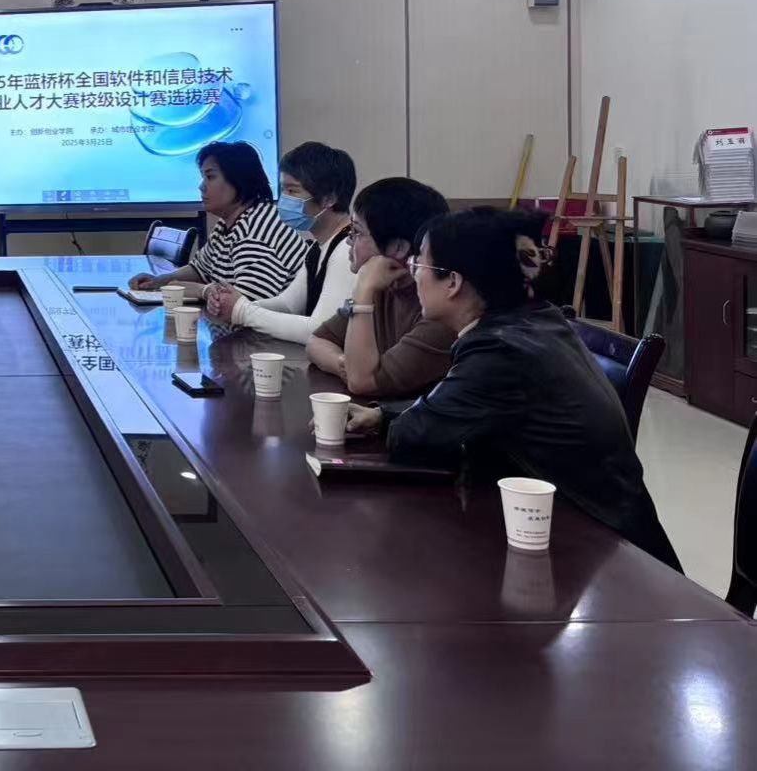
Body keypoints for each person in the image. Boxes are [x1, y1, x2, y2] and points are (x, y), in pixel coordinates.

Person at [345, 209, 680, 569]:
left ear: (453, 282)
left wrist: (394, 423)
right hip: (586, 536)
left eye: (419, 265)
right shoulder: (535, 320)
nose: (413, 274)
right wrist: (384, 416)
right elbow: (453, 407)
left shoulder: (500, 350)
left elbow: (414, 437)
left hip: (602, 555)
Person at [306, 176, 452, 398]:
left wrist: (363, 293)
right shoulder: (384, 287)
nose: (348, 241)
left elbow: (362, 382)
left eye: (357, 232)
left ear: (398, 247)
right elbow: (317, 342)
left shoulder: (438, 309)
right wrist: (343, 363)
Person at [205, 141, 357, 343]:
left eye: (292, 191)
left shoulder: (347, 250)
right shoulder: (319, 246)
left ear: (329, 199)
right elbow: (288, 305)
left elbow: (319, 330)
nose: (283, 199)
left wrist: (242, 311)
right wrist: (232, 304)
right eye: (283, 189)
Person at [129, 141, 309, 302]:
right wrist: (160, 281)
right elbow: (201, 269)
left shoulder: (257, 230)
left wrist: (201, 291)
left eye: (210, 177)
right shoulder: (229, 223)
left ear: (238, 180)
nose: (201, 186)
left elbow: (249, 302)